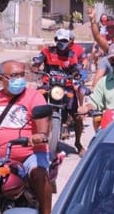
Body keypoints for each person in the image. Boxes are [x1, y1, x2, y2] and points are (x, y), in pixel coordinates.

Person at [0, 60, 51, 214]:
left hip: (30, 154)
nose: (19, 79)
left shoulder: (34, 96)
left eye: (21, 75)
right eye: (13, 76)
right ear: (1, 78)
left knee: (39, 174)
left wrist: (40, 135)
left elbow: (42, 122)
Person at [32, 28, 85, 156]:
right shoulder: (47, 51)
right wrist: (35, 66)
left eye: (65, 41)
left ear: (69, 41)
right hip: (48, 85)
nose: (63, 44)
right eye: (60, 41)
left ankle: (78, 143)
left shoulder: (71, 54)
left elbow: (75, 68)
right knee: (34, 107)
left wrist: (76, 73)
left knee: (77, 115)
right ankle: (33, 138)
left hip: (66, 87)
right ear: (56, 40)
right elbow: (37, 62)